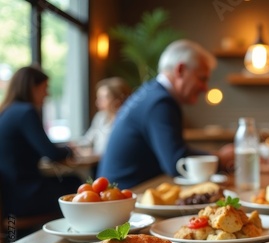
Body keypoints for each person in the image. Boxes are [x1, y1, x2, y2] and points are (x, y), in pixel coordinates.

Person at [98, 39, 233, 188]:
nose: (205, 88)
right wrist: (220, 158)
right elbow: (175, 163)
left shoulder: (151, 93)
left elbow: (175, 153)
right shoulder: (160, 103)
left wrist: (215, 156)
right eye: (202, 79)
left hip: (118, 194)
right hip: (126, 198)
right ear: (180, 70)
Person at [0, 65, 82, 218]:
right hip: (24, 196)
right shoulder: (26, 112)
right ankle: (81, 234)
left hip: (10, 195)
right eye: (45, 88)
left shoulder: (7, 111)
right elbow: (50, 153)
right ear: (33, 88)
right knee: (78, 186)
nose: (47, 94)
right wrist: (70, 149)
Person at [79, 77, 132, 156]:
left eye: (102, 98)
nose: (97, 102)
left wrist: (94, 154)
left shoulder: (127, 122)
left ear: (118, 100)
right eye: (98, 98)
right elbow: (87, 140)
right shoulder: (100, 117)